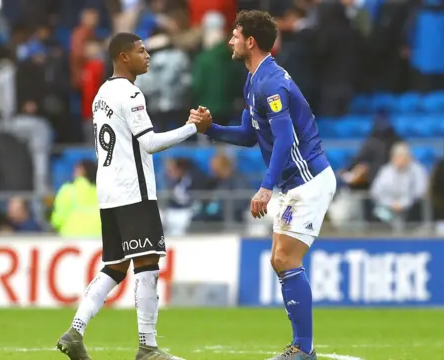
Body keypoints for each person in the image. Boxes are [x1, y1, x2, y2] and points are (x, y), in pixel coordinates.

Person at [188, 10, 336, 360]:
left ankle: (303, 348)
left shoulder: (272, 83)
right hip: (292, 181)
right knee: (279, 259)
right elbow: (250, 136)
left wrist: (265, 187)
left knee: (284, 258)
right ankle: (303, 347)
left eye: (235, 35)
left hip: (307, 179)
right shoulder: (253, 79)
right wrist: (210, 129)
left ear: (250, 41)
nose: (230, 41)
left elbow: (284, 141)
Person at [56, 32, 209, 360]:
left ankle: (75, 331)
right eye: (141, 51)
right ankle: (147, 347)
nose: (147, 55)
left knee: (114, 267)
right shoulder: (131, 93)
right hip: (133, 191)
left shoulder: (102, 93)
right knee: (148, 264)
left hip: (108, 191)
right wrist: (193, 128)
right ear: (123, 57)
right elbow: (150, 143)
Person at [50, 160, 101, 236]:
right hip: (98, 238)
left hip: (71, 236)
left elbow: (58, 218)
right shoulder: (102, 191)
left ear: (81, 171)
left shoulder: (68, 190)